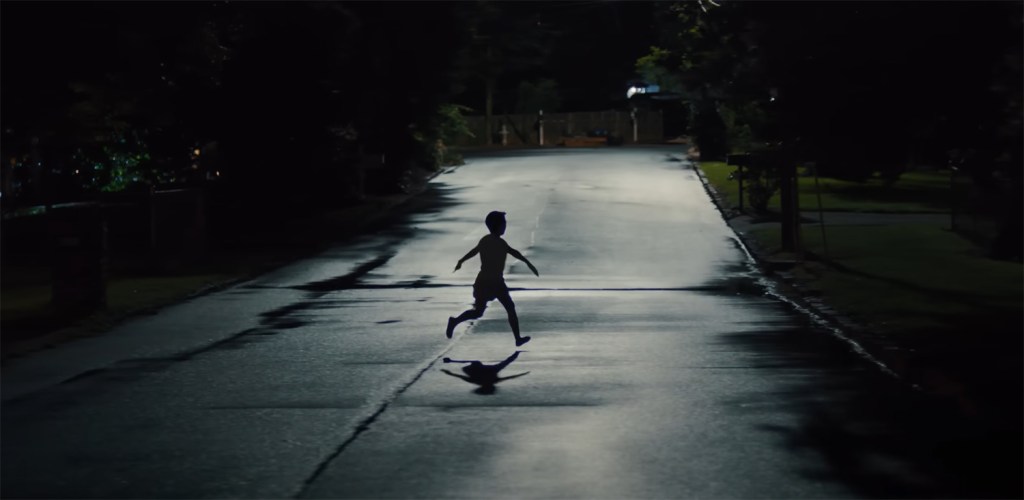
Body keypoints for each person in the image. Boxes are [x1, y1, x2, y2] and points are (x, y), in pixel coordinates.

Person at [446, 211, 539, 346]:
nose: (505, 226)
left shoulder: (491, 241)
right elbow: (513, 252)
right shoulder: (497, 242)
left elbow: (477, 251)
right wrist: (527, 262)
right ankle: (517, 338)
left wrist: (461, 260)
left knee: (484, 311)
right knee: (501, 309)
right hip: (491, 282)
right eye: (503, 223)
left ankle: (518, 338)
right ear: (497, 225)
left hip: (487, 281)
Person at [441, 351, 530, 395]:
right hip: (486, 370)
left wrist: (523, 374)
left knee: (477, 362)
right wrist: (523, 374)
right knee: (505, 363)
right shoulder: (478, 381)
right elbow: (511, 377)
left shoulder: (486, 381)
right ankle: (517, 352)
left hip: (477, 369)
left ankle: (517, 352)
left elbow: (510, 377)